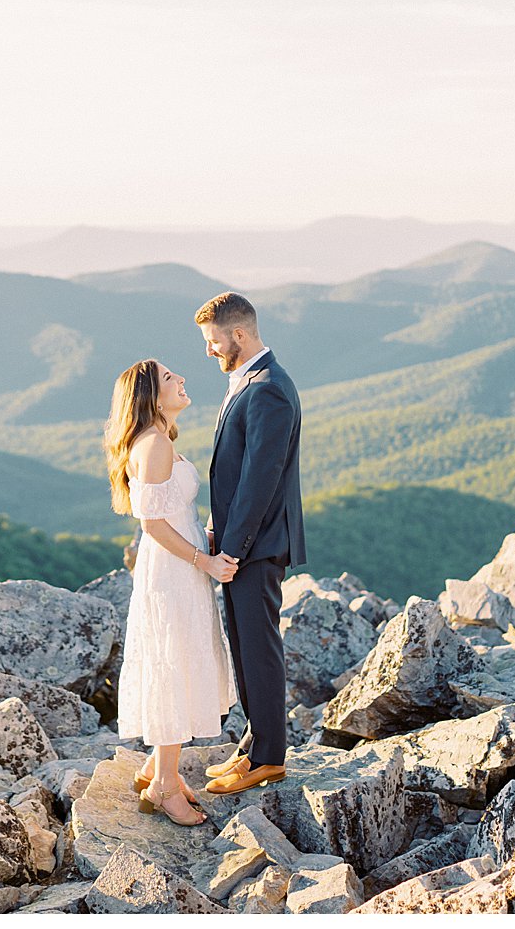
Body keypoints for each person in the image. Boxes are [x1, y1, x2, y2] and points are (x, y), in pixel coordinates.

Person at [103, 358, 239, 826]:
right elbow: (153, 524)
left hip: (178, 567)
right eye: (168, 378)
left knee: (177, 660)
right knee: (174, 662)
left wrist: (203, 538)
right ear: (150, 396)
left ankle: (158, 769)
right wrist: (203, 559)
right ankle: (162, 786)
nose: (180, 378)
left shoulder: (160, 441)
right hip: (172, 572)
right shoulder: (155, 443)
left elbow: (171, 514)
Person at [195, 292, 305, 794]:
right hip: (243, 541)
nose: (210, 351)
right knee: (244, 646)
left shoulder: (269, 390)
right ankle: (254, 744)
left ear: (238, 334)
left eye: (214, 341)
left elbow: (261, 479)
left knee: (259, 649)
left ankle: (269, 758)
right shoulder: (251, 382)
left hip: (257, 547)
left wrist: (231, 549)